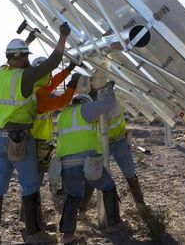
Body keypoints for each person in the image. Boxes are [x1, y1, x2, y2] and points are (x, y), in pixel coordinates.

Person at [0, 22, 70, 245]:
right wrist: (62, 36)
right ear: (19, 57)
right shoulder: (26, 77)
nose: (29, 60)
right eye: (26, 56)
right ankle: (35, 235)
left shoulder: (0, 73)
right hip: (18, 140)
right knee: (30, 185)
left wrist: (28, 41)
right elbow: (52, 62)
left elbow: (14, 57)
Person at [20, 58, 81, 233]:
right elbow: (61, 102)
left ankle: (28, 218)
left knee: (32, 182)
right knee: (34, 182)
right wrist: (72, 86)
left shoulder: (36, 88)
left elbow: (53, 82)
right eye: (47, 73)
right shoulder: (39, 93)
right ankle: (33, 224)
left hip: (37, 141)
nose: (49, 77)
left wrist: (68, 70)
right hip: (37, 142)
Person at [56, 86, 123, 244]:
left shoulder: (63, 115)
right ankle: (113, 223)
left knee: (73, 196)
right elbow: (108, 103)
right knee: (108, 186)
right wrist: (110, 89)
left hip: (66, 164)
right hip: (86, 161)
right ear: (86, 103)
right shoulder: (84, 110)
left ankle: (67, 234)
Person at [79, 68, 148, 215]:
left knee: (130, 172)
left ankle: (140, 203)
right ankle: (82, 207)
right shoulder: (92, 102)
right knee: (93, 173)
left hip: (118, 141)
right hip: (101, 143)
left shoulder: (112, 97)